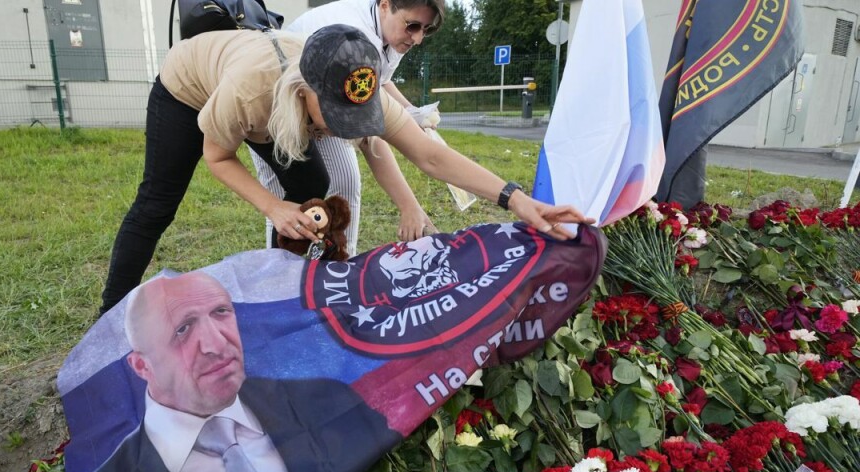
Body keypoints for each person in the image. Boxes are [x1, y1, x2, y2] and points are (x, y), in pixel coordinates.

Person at [98, 23, 594, 315]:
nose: (342, 129)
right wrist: (272, 207)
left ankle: (300, 289)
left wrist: (520, 200)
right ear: (304, 92)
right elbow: (217, 156)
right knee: (156, 203)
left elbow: (431, 155)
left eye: (353, 118)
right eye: (334, 118)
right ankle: (109, 314)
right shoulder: (250, 94)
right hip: (188, 89)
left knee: (314, 185)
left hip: (272, 110)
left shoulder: (358, 83)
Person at [68, 272, 402, 472]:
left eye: (221, 313)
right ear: (141, 366)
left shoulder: (330, 401)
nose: (216, 344)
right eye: (182, 330)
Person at [251, 0, 446, 255]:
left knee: (346, 181)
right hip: (278, 102)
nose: (418, 38)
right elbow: (369, 137)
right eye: (413, 26)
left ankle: (342, 265)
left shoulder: (393, 34)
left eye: (426, 30)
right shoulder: (358, 36)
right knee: (285, 200)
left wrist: (413, 114)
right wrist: (408, 205)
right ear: (385, 5)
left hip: (325, 102)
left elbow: (381, 85)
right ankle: (280, 272)